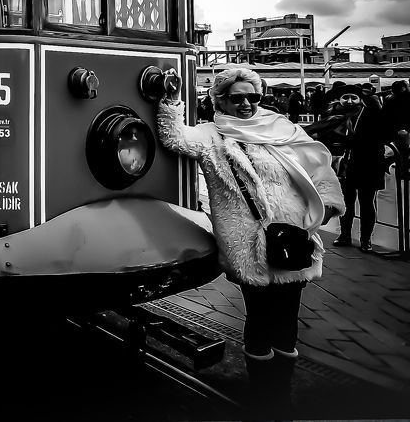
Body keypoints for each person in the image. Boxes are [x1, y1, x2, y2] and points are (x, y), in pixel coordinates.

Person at [156, 67, 344, 409]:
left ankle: (281, 391)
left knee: (287, 316)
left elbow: (321, 169)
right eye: (237, 98)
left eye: (253, 97)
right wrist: (171, 100)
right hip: (248, 245)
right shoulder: (210, 136)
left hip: (294, 237)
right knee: (259, 315)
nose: (246, 104)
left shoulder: (281, 128)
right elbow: (173, 137)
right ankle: (262, 392)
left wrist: (328, 207)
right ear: (220, 100)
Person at [319, 85, 388, 252]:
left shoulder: (372, 114)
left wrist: (350, 142)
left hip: (369, 164)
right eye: (345, 97)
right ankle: (345, 235)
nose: (349, 101)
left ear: (360, 99)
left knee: (366, 202)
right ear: (340, 99)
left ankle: (366, 240)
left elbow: (379, 137)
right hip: (344, 166)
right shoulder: (333, 115)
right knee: (346, 203)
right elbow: (323, 137)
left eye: (353, 98)